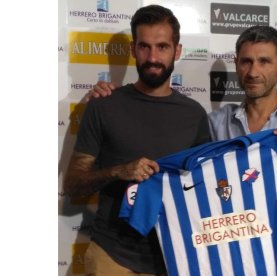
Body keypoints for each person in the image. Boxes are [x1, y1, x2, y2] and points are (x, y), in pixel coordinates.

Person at [90, 26, 277, 276]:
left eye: (264, 62)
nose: (253, 71)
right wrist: (116, 98)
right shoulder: (216, 124)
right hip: (241, 260)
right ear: (237, 64)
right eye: (246, 61)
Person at [63, 5, 210, 276]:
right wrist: (119, 171)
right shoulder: (103, 106)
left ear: (177, 51)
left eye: (162, 47)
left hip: (175, 257)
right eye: (145, 47)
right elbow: (72, 185)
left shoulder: (195, 115)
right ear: (133, 50)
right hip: (112, 257)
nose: (153, 57)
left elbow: (205, 189)